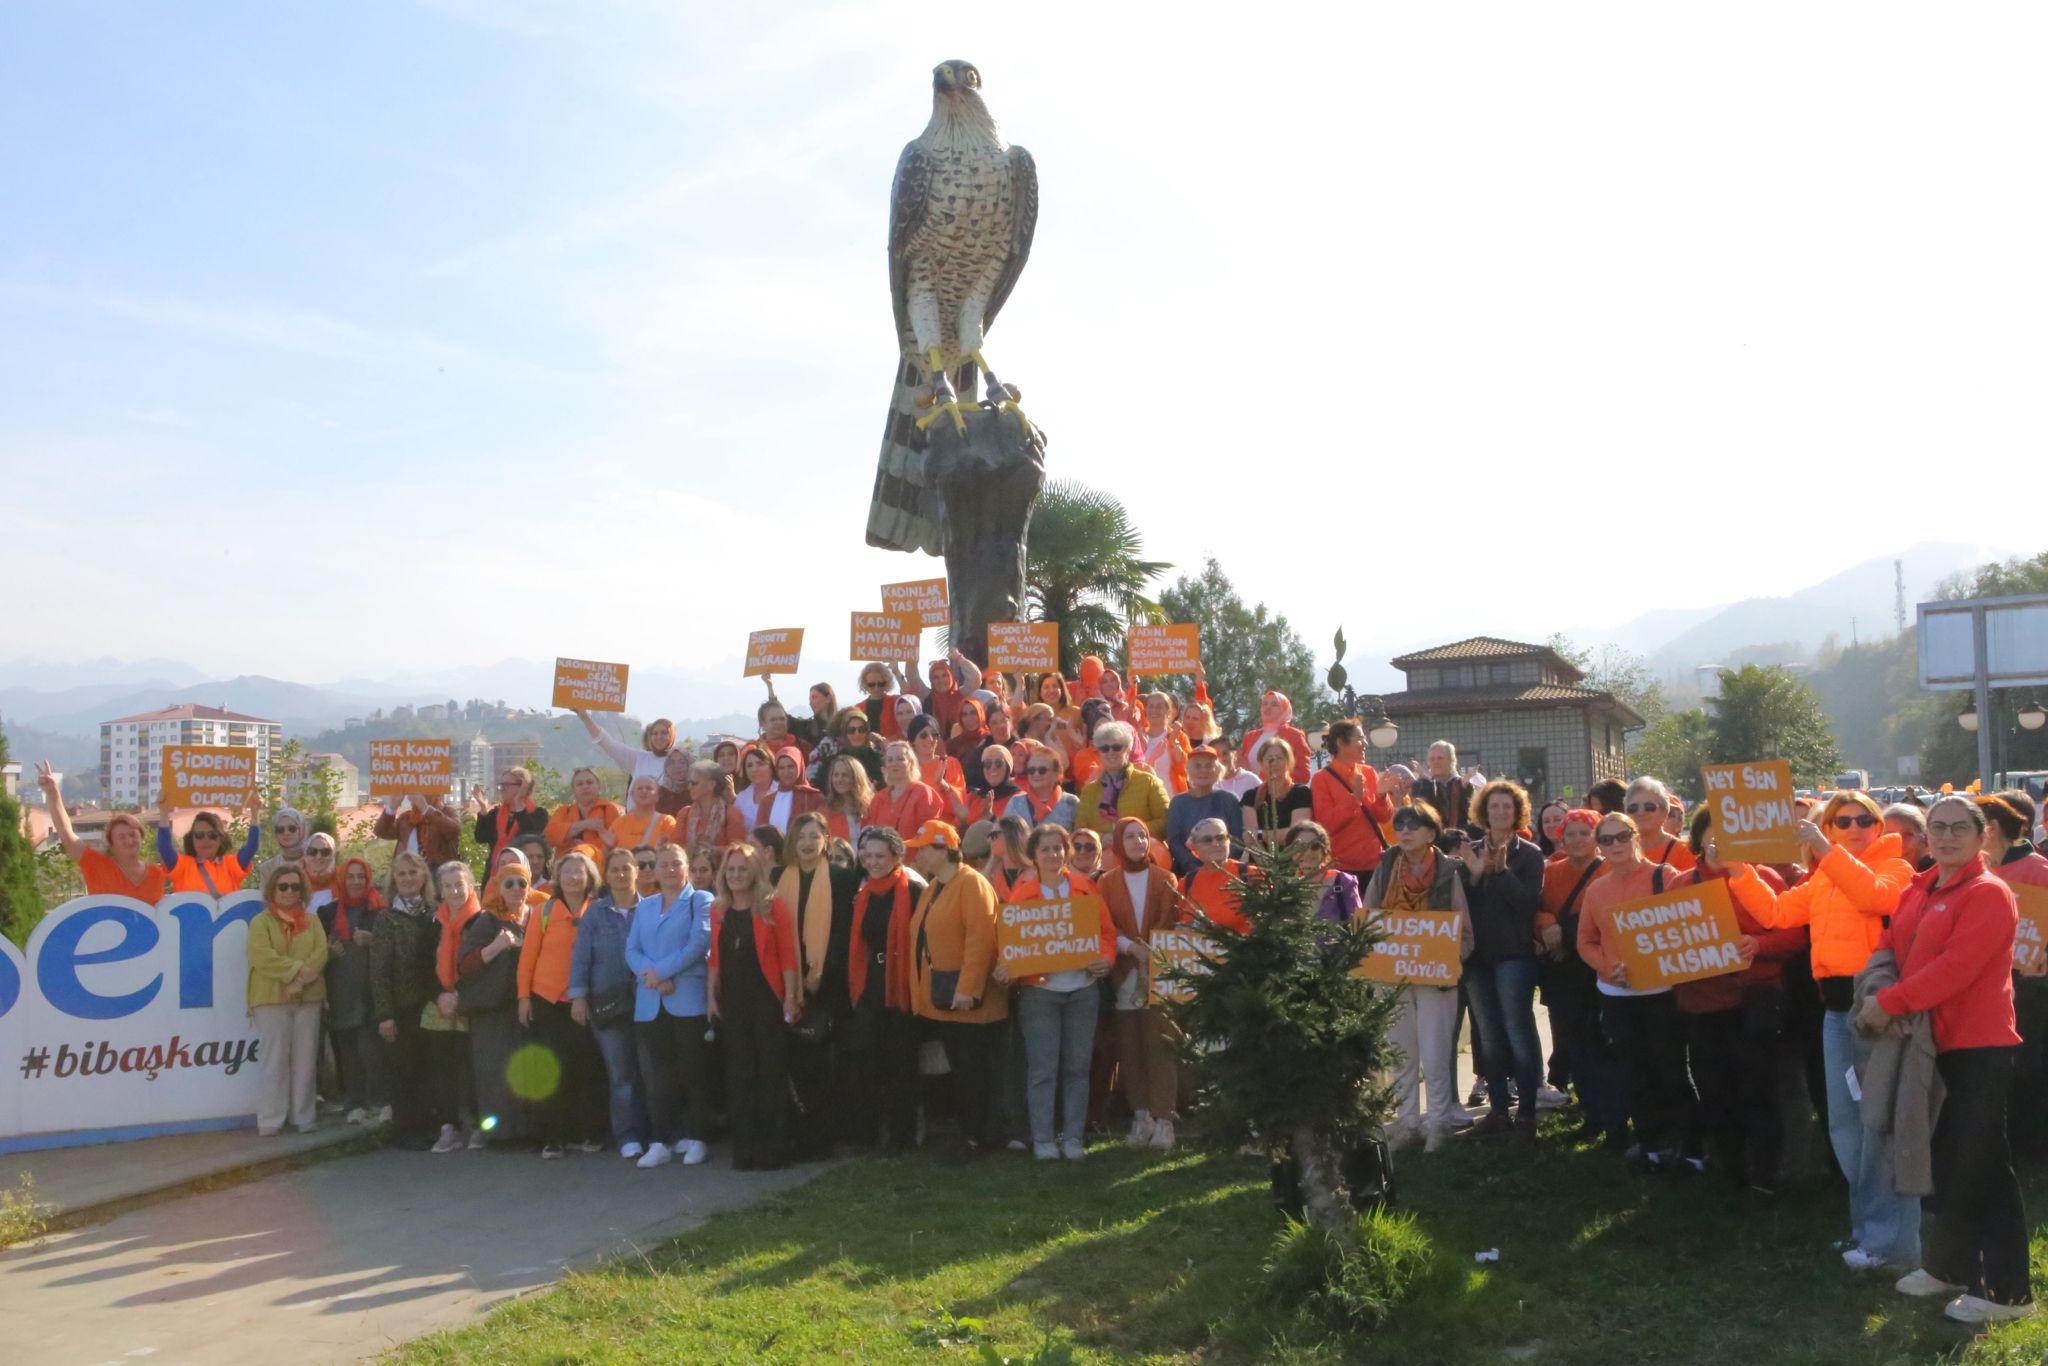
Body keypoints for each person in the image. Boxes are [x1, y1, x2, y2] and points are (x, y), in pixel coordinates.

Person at [1872, 797, 2031, 1324]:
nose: (1945, 837)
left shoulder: (1990, 893)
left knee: (1983, 1165)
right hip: (1927, 1043)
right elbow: (1892, 947)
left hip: (1977, 1046)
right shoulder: (1920, 886)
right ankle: (1948, 1267)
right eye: (1937, 827)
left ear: (1982, 835)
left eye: (1958, 828)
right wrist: (1885, 993)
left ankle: (2007, 1294)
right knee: (1944, 1163)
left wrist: (1890, 1004)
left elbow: (1955, 969)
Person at [1748, 788, 1918, 1269]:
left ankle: (1893, 1243)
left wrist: (1828, 853)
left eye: (1865, 820)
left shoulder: (1896, 868)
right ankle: (1867, 1233)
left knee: (1877, 1126)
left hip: (1876, 1010)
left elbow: (1874, 897)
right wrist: (1737, 870)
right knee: (1844, 1124)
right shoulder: (1825, 876)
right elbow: (1778, 913)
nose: (1855, 828)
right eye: (1842, 822)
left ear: (1879, 827)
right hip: (1836, 1011)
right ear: (1828, 829)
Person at [1666, 809, 1798, 1204]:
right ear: (1699, 837)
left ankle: (1763, 1179)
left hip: (1751, 1005)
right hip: (1701, 1007)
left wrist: (1758, 946)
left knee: (1757, 1093)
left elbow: (1793, 938)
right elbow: (1666, 941)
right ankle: (1732, 1174)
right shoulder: (1680, 884)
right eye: (1711, 832)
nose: (1718, 841)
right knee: (1715, 1093)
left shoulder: (1763, 879)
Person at [1576, 813, 1697, 1173]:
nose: (1615, 845)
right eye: (1607, 840)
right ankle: (1650, 1145)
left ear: (1635, 838)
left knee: (1672, 1072)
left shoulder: (1665, 877)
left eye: (1621, 837)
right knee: (1634, 1074)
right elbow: (1585, 940)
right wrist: (1606, 966)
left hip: (1662, 992)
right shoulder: (1597, 890)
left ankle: (1691, 1149)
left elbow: (1688, 926)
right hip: (1617, 995)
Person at [998, 823, 1113, 1160]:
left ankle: (1073, 1137)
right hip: (1040, 994)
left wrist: (1105, 960)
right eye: (1045, 849)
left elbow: (1106, 932)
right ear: (1033, 855)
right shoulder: (1022, 893)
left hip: (1083, 990)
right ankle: (1044, 1138)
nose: (1053, 854)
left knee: (1078, 1068)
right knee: (1042, 1070)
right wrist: (1009, 967)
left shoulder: (1086, 888)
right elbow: (1010, 941)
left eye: (1058, 848)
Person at [1364, 800, 1472, 1152]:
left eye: (1414, 824)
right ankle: (1407, 1122)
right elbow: (1369, 914)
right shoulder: (1386, 864)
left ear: (1431, 832)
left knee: (1436, 1051)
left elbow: (1463, 927)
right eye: (1400, 824)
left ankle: (1438, 1123)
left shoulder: (1448, 871)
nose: (1405, 830)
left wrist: (1448, 957)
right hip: (1392, 972)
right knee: (1400, 1050)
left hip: (1434, 974)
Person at [904, 820, 1007, 1161]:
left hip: (969, 1006)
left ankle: (980, 1139)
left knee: (973, 1075)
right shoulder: (936, 886)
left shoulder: (971, 884)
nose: (917, 853)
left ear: (943, 850)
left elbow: (982, 941)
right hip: (943, 1000)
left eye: (924, 847)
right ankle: (971, 1135)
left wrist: (968, 990)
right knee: (962, 1074)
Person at [1456, 780, 1548, 1140]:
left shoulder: (1530, 854)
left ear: (1517, 812)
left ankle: (1526, 1113)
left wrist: (1504, 872)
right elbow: (1462, 907)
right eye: (1493, 806)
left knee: (1517, 1031)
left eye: (1506, 807)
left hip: (1514, 955)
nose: (1499, 812)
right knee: (1489, 1037)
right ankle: (1497, 1111)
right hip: (1477, 958)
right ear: (1483, 811)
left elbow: (1528, 905)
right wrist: (1475, 874)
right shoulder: (1469, 852)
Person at [708, 843, 801, 1171]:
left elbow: (788, 956)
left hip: (767, 1000)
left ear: (754, 872)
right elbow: (715, 959)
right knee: (740, 1075)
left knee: (770, 1074)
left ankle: (773, 1150)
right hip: (733, 1002)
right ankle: (745, 1150)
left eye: (742, 869)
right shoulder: (717, 909)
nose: (736, 875)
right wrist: (711, 998)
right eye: (730, 869)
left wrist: (790, 997)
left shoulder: (772, 907)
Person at [1535, 809, 1625, 1146]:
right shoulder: (1552, 872)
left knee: (1602, 1042)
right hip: (1563, 971)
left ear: (1596, 838)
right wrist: (1547, 925)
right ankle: (1590, 1111)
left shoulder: (1609, 870)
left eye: (1583, 833)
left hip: (1599, 966)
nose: (1576, 840)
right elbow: (1537, 909)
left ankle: (1614, 1116)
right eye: (1569, 833)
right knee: (1573, 1041)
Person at [775, 812, 858, 1158]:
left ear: (826, 840)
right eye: (801, 836)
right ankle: (799, 1134)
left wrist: (819, 973)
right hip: (787, 985)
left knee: (827, 1063)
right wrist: (793, 978)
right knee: (795, 1064)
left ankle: (826, 1138)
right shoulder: (778, 878)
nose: (807, 843)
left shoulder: (841, 878)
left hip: (829, 984)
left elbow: (843, 931)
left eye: (814, 836)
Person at [626, 844, 714, 1169]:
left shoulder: (700, 900)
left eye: (676, 864)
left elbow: (699, 944)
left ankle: (698, 1137)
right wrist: (652, 976)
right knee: (658, 1076)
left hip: (687, 999)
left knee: (693, 1071)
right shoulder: (645, 906)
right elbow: (631, 950)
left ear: (687, 867)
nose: (669, 870)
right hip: (651, 1002)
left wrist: (661, 972)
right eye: (663, 864)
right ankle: (661, 1140)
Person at [516, 849, 607, 1160]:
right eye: (566, 871)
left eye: (578, 871)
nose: (572, 877)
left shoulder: (598, 909)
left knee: (586, 1067)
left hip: (586, 1000)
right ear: (557, 877)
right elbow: (527, 957)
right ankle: (552, 1136)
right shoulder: (544, 910)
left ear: (589, 877)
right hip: (547, 999)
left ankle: (587, 1131)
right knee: (551, 1070)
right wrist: (524, 997)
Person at [1101, 816, 1183, 1148]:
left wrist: (1150, 951)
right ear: (1119, 843)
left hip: (1159, 972)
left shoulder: (1166, 879)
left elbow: (1171, 920)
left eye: (1143, 836)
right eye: (1130, 836)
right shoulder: (1106, 882)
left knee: (1160, 1045)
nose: (1138, 842)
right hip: (1124, 974)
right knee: (1131, 1049)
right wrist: (1128, 948)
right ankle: (1141, 1116)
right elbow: (1104, 925)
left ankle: (1165, 1119)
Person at [845, 826, 928, 1150]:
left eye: (881, 856)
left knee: (901, 1067)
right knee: (865, 1065)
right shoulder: (863, 894)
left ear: (896, 857)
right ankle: (866, 1137)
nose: (874, 862)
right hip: (871, 987)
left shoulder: (915, 890)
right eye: (868, 856)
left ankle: (900, 1139)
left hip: (902, 988)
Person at [1977, 792, 2048, 1162]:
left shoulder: (2038, 871)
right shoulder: (1976, 872)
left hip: (2029, 987)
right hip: (1984, 988)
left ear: (1989, 829)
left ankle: (2032, 1149)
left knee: (2027, 1067)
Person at [569, 847, 651, 1159]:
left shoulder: (651, 909)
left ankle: (654, 1132)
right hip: (607, 1004)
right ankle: (627, 1135)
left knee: (649, 1070)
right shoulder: (594, 913)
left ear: (636, 872)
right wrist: (578, 995)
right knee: (621, 1073)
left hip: (647, 1002)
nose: (620, 874)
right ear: (606, 875)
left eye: (626, 868)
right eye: (614, 869)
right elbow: (580, 958)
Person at [460, 855, 543, 1147]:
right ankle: (501, 1134)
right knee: (496, 1072)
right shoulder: (487, 920)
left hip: (528, 1005)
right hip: (493, 1010)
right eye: (509, 883)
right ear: (499, 887)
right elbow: (466, 964)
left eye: (522, 883)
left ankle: (530, 1131)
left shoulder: (536, 916)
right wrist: (495, 947)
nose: (516, 888)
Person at [245, 864, 329, 1136]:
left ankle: (303, 1116)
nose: (289, 892)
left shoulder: (313, 921)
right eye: (283, 886)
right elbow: (261, 956)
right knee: (274, 1061)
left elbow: (320, 952)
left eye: (295, 886)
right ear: (273, 889)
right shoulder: (261, 922)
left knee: (305, 1060)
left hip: (309, 999)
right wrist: (295, 973)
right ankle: (270, 1119)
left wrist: (301, 981)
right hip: (270, 999)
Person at [370, 852, 444, 1149]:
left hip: (431, 1004)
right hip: (400, 1006)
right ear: (394, 880)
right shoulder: (386, 919)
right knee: (404, 1070)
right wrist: (384, 1013)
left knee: (429, 1068)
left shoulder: (436, 912)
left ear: (423, 876)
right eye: (401, 874)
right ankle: (407, 1131)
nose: (408, 879)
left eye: (413, 873)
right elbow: (378, 970)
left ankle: (431, 1126)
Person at [37, 760, 165, 903]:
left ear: (142, 838)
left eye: (133, 835)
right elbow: (66, 834)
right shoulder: (97, 866)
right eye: (121, 837)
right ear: (112, 843)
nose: (129, 840)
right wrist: (52, 793)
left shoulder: (156, 874)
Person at [320, 855, 386, 1126]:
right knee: (347, 1052)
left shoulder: (380, 911)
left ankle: (379, 1101)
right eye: (350, 876)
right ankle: (354, 1103)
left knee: (372, 1050)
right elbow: (317, 951)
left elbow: (390, 949)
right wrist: (328, 954)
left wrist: (374, 941)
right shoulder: (327, 913)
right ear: (342, 879)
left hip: (371, 989)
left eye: (361, 876)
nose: (356, 882)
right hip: (341, 989)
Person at [429, 861, 485, 1152]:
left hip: (471, 1003)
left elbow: (483, 966)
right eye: (448, 886)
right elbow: (424, 963)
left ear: (471, 886)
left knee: (472, 1067)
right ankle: (448, 1127)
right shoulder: (434, 922)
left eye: (459, 885)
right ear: (440, 890)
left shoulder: (482, 920)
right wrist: (440, 994)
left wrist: (462, 996)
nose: (454, 891)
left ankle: (477, 1126)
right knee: (444, 1068)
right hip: (442, 1004)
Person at [1311, 720, 1394, 882]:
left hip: (1375, 865)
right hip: (1342, 869)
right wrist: (1354, 799)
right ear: (1341, 742)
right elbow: (1326, 824)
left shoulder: (1368, 772)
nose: (1366, 744)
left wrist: (1383, 796)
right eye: (1359, 739)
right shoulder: (1322, 778)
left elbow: (1384, 817)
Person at [1077, 721, 1169, 840]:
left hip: (1143, 852)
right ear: (1099, 752)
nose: (1111, 752)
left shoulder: (1148, 782)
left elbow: (1166, 821)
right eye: (1105, 748)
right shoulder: (1089, 791)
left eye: (1116, 747)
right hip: (1104, 854)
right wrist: (1103, 839)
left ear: (1128, 749)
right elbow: (1080, 829)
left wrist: (1128, 834)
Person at [1164, 744, 1243, 877]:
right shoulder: (1178, 803)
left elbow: (1237, 839)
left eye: (1208, 766)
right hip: (1189, 874)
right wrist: (1194, 866)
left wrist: (1221, 865)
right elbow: (1175, 842)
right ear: (1189, 770)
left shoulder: (1229, 800)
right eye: (1197, 766)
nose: (1203, 771)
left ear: (1217, 770)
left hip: (1226, 873)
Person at [157, 804, 261, 895]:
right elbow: (165, 849)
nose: (206, 840)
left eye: (212, 835)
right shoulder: (183, 866)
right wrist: (164, 813)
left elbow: (251, 847)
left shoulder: (231, 865)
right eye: (199, 835)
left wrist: (255, 813)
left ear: (221, 839)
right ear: (191, 839)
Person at [1179, 817, 1249, 932]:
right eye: (1207, 840)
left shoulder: (1250, 875)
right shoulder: (1186, 883)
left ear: (1229, 841)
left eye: (1220, 838)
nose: (1216, 844)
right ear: (1195, 847)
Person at [1285, 822, 1364, 922]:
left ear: (1324, 851)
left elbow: (1360, 927)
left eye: (1315, 846)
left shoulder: (1343, 882)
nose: (1308, 852)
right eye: (1301, 847)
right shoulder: (1286, 889)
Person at [1242, 738, 1313, 847]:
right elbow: (1250, 840)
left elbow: (1298, 835)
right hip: (1260, 862)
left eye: (1280, 758)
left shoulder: (1301, 793)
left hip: (1296, 860)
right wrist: (1266, 863)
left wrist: (1260, 835)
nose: (1275, 763)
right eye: (1269, 759)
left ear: (1289, 761)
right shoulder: (1251, 797)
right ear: (1261, 763)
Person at [868, 740, 945, 838]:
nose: (894, 763)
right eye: (890, 760)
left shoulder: (923, 793)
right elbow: (871, 832)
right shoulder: (879, 798)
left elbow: (927, 832)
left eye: (900, 759)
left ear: (911, 763)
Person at [576, 711, 677, 786]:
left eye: (664, 732)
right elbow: (608, 744)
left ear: (672, 735)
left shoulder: (681, 761)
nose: (659, 737)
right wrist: (585, 717)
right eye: (654, 733)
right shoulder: (639, 758)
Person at [476, 767, 548, 867]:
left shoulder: (538, 813)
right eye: (501, 785)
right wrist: (483, 808)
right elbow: (480, 837)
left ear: (523, 786)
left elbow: (530, 836)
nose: (502, 789)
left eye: (506, 785)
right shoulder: (496, 813)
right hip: (497, 873)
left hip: (527, 871)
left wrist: (518, 803)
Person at [547, 768, 622, 864]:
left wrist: (585, 848)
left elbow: (616, 841)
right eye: (580, 784)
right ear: (573, 789)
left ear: (598, 786)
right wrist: (584, 824)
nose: (585, 786)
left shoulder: (608, 809)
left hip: (599, 867)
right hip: (565, 869)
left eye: (589, 782)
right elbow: (550, 836)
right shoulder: (564, 811)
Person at [1238, 690, 1311, 785]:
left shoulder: (1294, 735)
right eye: (1264, 704)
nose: (1268, 707)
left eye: (1274, 704)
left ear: (1284, 709)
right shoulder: (1250, 737)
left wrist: (1266, 774)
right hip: (1252, 794)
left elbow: (1304, 775)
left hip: (1282, 795)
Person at [904, 649, 984, 736]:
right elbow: (912, 675)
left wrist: (959, 658)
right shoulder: (927, 695)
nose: (940, 680)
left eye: (944, 675)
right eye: (935, 677)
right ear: (931, 681)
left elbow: (975, 677)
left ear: (951, 677)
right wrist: (913, 648)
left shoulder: (962, 694)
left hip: (960, 745)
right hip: (933, 745)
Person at [1625, 777, 1697, 871]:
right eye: (1633, 808)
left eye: (1649, 807)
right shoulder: (1616, 852)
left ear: (1665, 812)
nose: (1641, 812)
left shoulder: (1685, 851)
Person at [375, 790, 461, 867]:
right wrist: (391, 808)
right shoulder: (406, 818)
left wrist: (426, 809)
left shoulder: (446, 812)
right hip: (409, 874)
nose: (412, 799)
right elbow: (381, 832)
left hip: (437, 875)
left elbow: (454, 830)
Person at [679, 759, 746, 855]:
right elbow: (676, 847)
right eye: (688, 783)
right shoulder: (684, 813)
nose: (689, 787)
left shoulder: (731, 813)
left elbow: (738, 849)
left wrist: (711, 851)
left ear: (711, 785)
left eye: (694, 783)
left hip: (723, 869)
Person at [1004, 746, 1078, 830]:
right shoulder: (1015, 803)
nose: (1036, 774)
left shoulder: (1071, 803)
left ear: (1057, 774)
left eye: (1042, 770)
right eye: (1031, 770)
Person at [810, 707, 885, 789]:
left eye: (861, 729)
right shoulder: (833, 762)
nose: (857, 734)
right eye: (851, 730)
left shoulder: (878, 761)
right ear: (844, 733)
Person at [1412, 742, 1473, 841]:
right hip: (1431, 840)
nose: (1436, 762)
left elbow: (1470, 815)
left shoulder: (1462, 784)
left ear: (1451, 761)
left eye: (1440, 758)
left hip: (1459, 841)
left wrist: (1465, 790)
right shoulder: (1420, 785)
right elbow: (1422, 813)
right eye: (1432, 759)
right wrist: (1429, 783)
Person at [607, 774, 678, 852]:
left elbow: (673, 853)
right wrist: (608, 846)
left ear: (657, 796)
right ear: (632, 795)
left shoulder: (667, 821)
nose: (644, 791)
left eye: (649, 788)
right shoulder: (619, 823)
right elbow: (606, 854)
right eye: (639, 788)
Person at [1137, 691, 1190, 795]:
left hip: (1171, 799)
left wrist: (1173, 743)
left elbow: (1187, 769)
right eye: (1151, 706)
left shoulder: (1179, 736)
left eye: (1159, 707)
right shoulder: (1138, 736)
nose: (1154, 710)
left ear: (1168, 711)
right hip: (1143, 798)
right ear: (1145, 709)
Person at [819, 753, 875, 844]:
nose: (839, 779)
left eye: (845, 775)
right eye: (836, 775)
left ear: (857, 778)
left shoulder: (872, 806)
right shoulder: (825, 811)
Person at [967, 744, 1023, 826]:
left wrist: (991, 817)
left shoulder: (1019, 798)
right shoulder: (973, 797)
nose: (993, 767)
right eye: (987, 764)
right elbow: (958, 826)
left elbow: (1017, 832)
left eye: (998, 763)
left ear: (1008, 768)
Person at [255, 806, 312, 881]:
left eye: (292, 828)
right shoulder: (268, 868)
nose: (286, 833)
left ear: (302, 830)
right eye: (280, 830)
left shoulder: (316, 861)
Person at [775, 746, 824, 824]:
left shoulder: (816, 798)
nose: (786, 772)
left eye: (790, 767)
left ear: (799, 766)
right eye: (781, 768)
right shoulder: (767, 802)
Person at [1885, 802, 1932, 871]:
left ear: (1925, 839)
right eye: (1890, 836)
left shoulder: (1941, 877)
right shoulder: (1870, 876)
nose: (1899, 843)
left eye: (1906, 835)